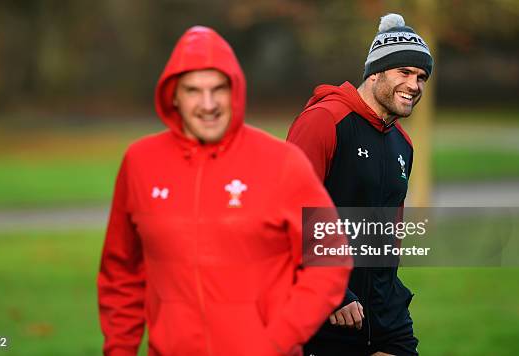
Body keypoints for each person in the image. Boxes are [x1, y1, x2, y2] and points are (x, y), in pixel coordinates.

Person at [97, 26, 351, 356]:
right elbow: (121, 272)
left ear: (236, 90)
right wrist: (119, 350)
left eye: (218, 89)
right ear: (173, 94)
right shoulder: (140, 163)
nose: (208, 104)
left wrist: (275, 340)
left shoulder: (282, 162)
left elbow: (330, 256)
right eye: (193, 91)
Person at [287, 14, 434, 356]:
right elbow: (289, 213)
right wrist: (334, 293)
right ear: (376, 71)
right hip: (327, 310)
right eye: (405, 72)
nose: (415, 85)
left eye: (422, 76)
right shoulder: (324, 121)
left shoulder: (403, 143)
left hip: (383, 311)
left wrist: (390, 294)